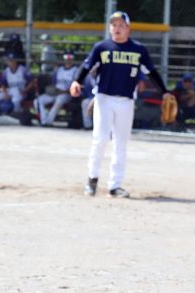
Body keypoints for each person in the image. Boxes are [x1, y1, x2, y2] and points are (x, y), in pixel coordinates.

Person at [70, 11, 172, 198]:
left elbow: (151, 72)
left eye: (121, 25)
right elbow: (86, 66)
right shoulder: (101, 47)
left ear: (128, 29)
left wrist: (164, 91)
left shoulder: (138, 50)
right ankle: (92, 180)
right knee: (100, 139)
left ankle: (114, 185)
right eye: (113, 25)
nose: (116, 28)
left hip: (126, 101)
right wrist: (77, 81)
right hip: (104, 99)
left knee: (121, 143)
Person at [35, 51, 78, 126]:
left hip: (66, 94)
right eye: (66, 58)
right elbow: (53, 83)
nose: (68, 60)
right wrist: (54, 90)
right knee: (38, 100)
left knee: (59, 100)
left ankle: (49, 122)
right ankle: (43, 120)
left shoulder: (75, 70)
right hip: (56, 92)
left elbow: (76, 86)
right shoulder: (59, 70)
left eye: (70, 58)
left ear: (72, 59)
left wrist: (64, 91)